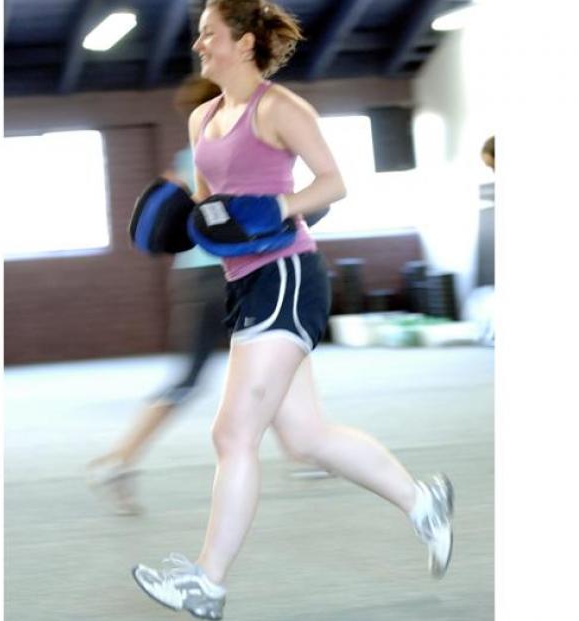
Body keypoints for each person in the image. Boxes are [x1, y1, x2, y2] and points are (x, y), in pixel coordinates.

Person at [130, 2, 454, 618]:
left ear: (245, 42)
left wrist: (277, 208)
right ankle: (422, 503)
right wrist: (183, 223)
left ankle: (208, 581)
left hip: (285, 276)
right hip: (242, 283)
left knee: (232, 434)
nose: (199, 45)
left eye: (209, 34)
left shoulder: (279, 108)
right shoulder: (203, 118)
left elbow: (333, 182)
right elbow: (210, 209)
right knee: (306, 437)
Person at [85, 76, 225, 516]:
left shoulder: (189, 156)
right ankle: (120, 459)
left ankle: (308, 449)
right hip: (216, 279)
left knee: (268, 365)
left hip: (197, 280)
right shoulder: (217, 156)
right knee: (194, 379)